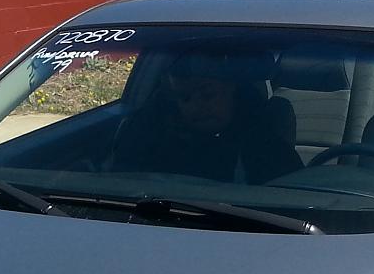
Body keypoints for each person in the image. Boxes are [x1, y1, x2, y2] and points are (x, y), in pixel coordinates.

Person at [109, 51, 301, 184]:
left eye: (208, 95)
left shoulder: (264, 146)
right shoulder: (149, 136)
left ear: (230, 88)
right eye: (185, 98)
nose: (197, 106)